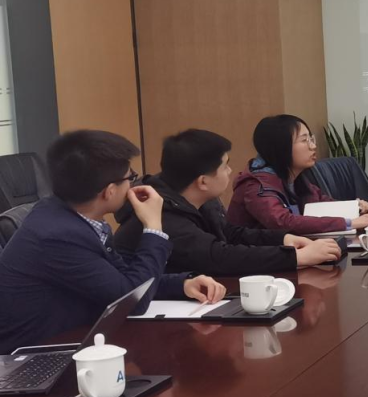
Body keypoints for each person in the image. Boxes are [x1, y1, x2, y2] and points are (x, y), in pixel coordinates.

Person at [0, 130, 225, 354]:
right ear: (109, 191)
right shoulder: (58, 236)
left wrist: (181, 285)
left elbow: (123, 280)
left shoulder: (71, 215)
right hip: (31, 359)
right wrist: (153, 227)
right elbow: (132, 301)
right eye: (131, 177)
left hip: (73, 343)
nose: (133, 184)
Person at [115, 130, 343, 276]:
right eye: (225, 166)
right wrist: (296, 257)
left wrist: (283, 239)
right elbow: (219, 256)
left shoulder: (200, 199)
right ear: (203, 181)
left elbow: (230, 233)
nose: (230, 171)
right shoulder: (162, 214)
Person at [226, 115, 368, 236]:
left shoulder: (294, 177)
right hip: (259, 263)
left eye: (311, 139)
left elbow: (320, 203)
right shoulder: (255, 186)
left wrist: (355, 208)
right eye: (304, 140)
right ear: (281, 147)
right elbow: (284, 222)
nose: (313, 146)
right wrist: (349, 223)